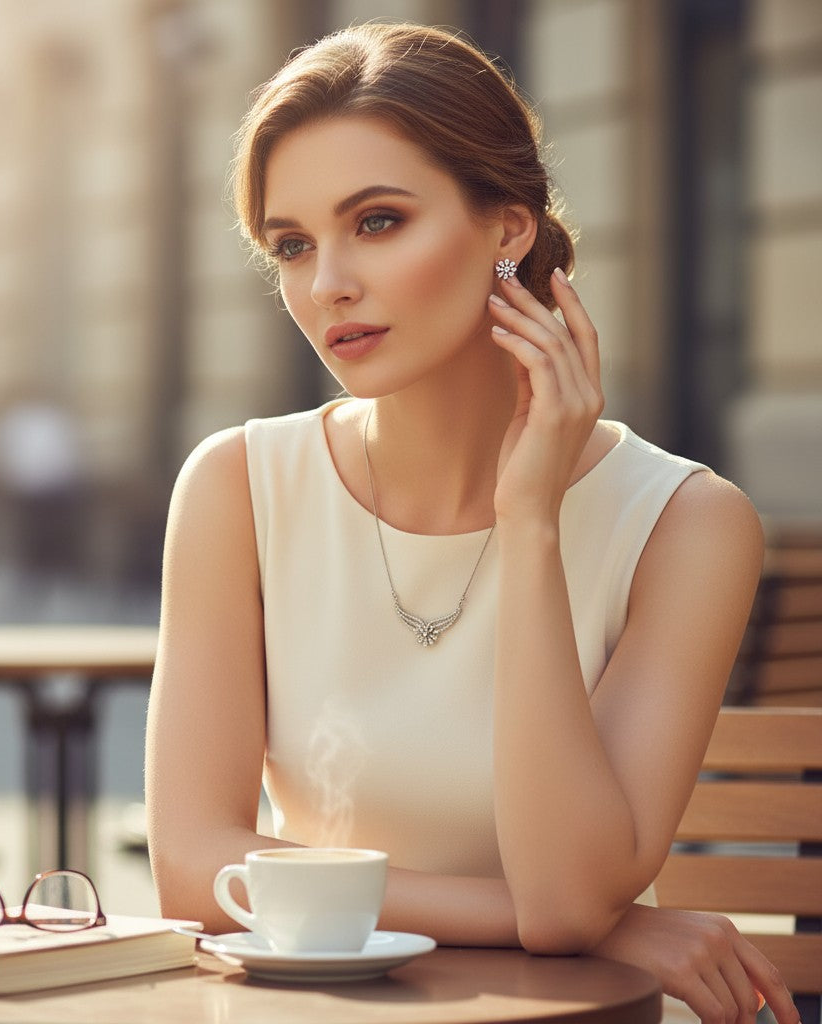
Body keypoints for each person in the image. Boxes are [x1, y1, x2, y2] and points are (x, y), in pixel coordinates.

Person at [145, 22, 797, 1024]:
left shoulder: (687, 525)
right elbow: (194, 867)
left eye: (376, 222)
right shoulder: (237, 486)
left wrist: (528, 520)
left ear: (508, 228)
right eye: (292, 244)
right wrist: (574, 922)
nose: (329, 286)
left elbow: (571, 891)